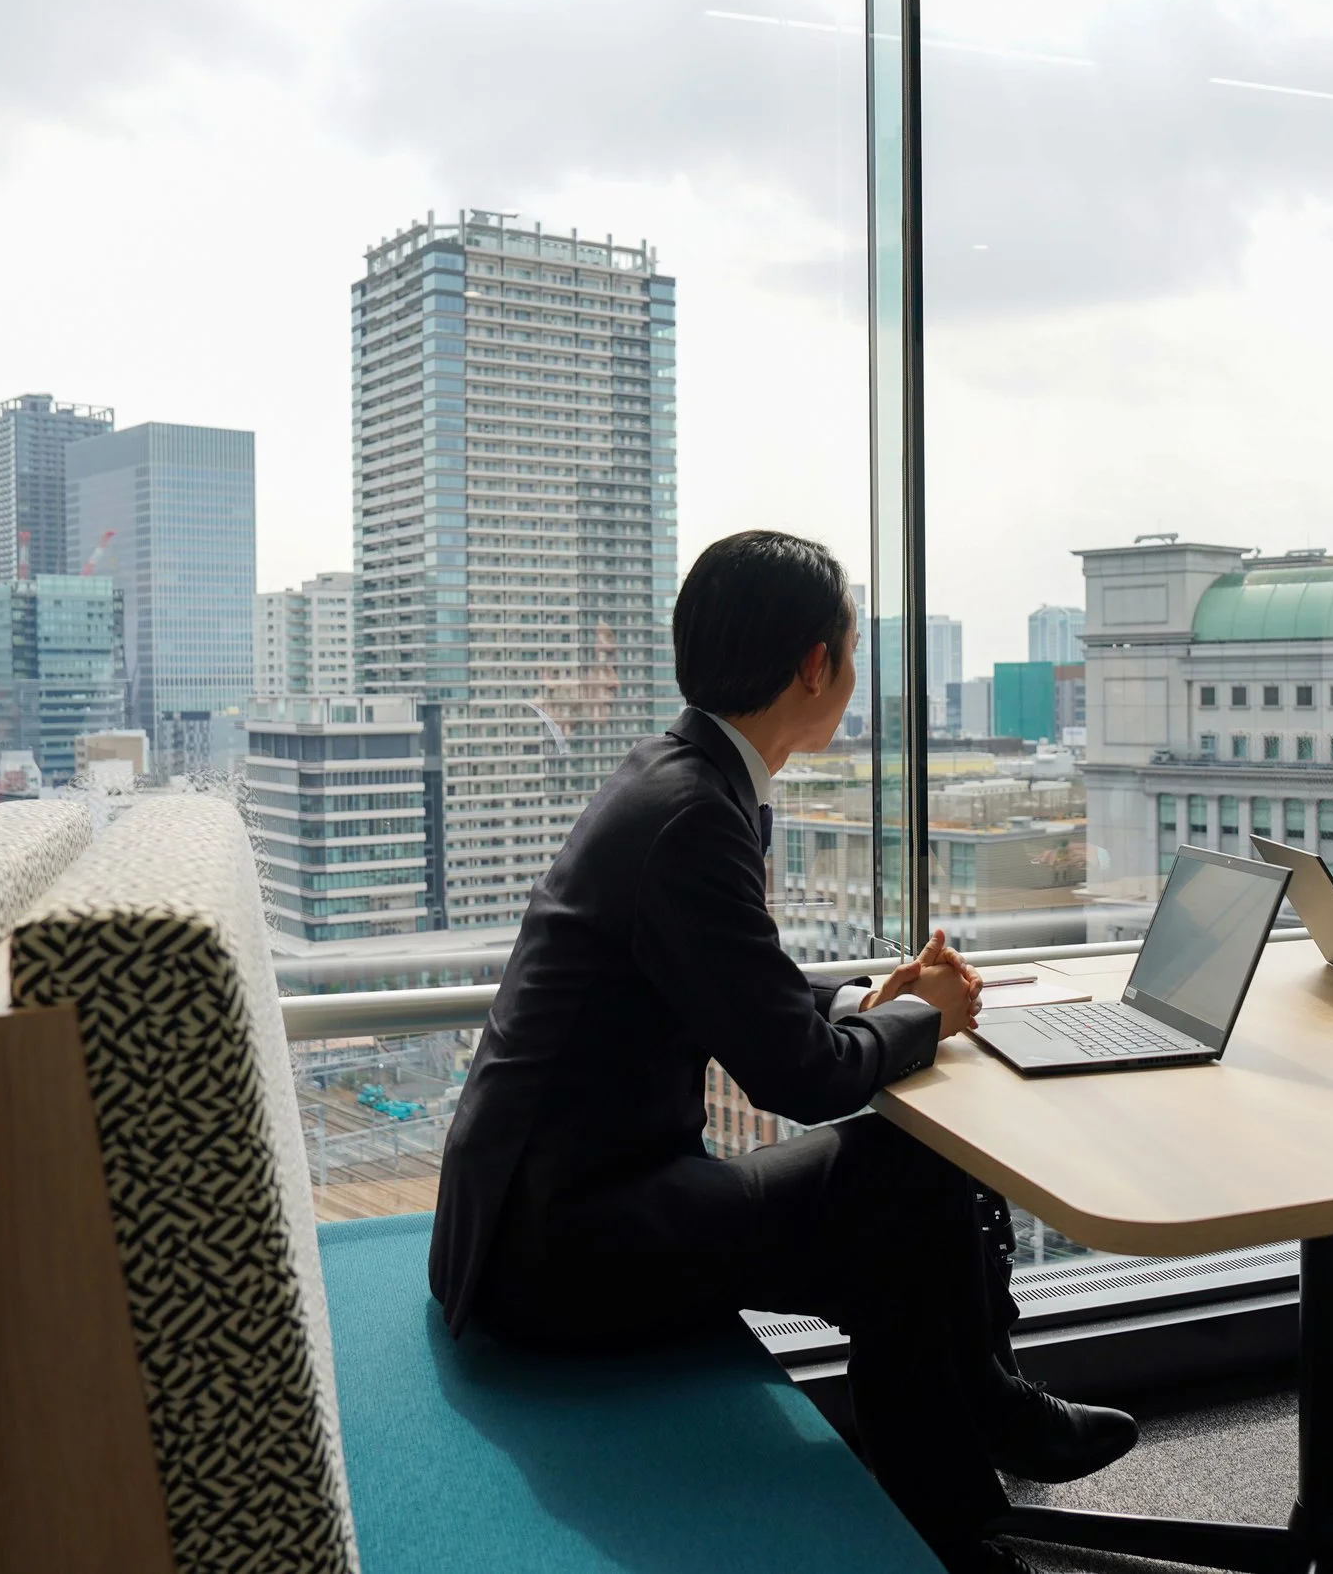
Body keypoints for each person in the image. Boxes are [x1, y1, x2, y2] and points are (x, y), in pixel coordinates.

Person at [429, 529, 1136, 1574]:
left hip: (543, 1211)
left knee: (903, 1227)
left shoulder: (677, 777)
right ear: (817, 664)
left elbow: (733, 978)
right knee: (912, 1179)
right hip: (559, 1252)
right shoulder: (692, 815)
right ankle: (970, 1466)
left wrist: (871, 996)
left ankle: (967, 1475)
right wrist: (927, 1018)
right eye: (850, 650)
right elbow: (798, 1077)